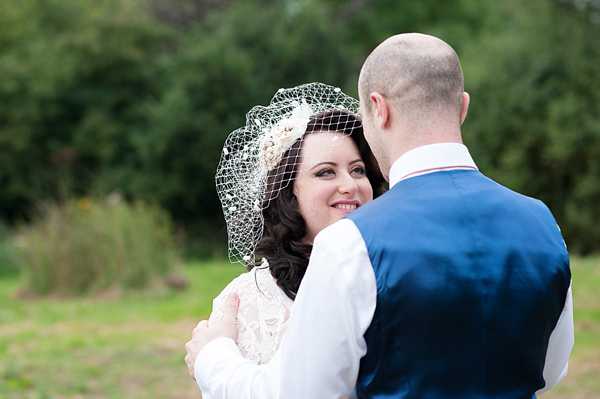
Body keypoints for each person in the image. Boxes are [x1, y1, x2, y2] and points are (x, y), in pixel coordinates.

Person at [185, 33, 574, 398]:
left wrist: (213, 359)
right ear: (463, 107)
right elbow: (551, 368)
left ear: (379, 108)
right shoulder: (543, 223)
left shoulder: (352, 243)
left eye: (356, 169)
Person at [196, 83, 384, 397]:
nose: (350, 185)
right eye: (326, 172)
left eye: (358, 169)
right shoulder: (244, 302)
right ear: (288, 193)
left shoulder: (392, 271)